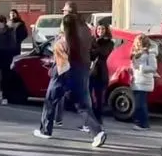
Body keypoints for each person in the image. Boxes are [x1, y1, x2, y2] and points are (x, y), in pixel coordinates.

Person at [34, 14, 107, 148]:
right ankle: (97, 132)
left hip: (62, 76)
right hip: (80, 74)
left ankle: (45, 130)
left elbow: (62, 65)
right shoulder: (81, 40)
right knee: (82, 107)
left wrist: (57, 76)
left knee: (50, 101)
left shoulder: (61, 42)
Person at [130, 34, 157, 130]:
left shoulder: (150, 53)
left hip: (144, 81)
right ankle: (139, 122)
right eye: (137, 42)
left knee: (140, 104)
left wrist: (141, 68)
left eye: (140, 42)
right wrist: (131, 71)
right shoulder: (136, 53)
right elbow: (134, 65)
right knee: (138, 103)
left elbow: (153, 68)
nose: (138, 44)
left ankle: (143, 124)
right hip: (136, 80)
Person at [89, 23, 114, 124]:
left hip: (101, 71)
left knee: (99, 96)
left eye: (103, 29)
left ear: (106, 30)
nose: (100, 31)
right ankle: (90, 117)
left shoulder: (109, 42)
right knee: (88, 94)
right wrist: (94, 49)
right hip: (91, 71)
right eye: (99, 29)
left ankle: (98, 118)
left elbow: (104, 53)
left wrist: (95, 48)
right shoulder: (92, 40)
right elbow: (90, 54)